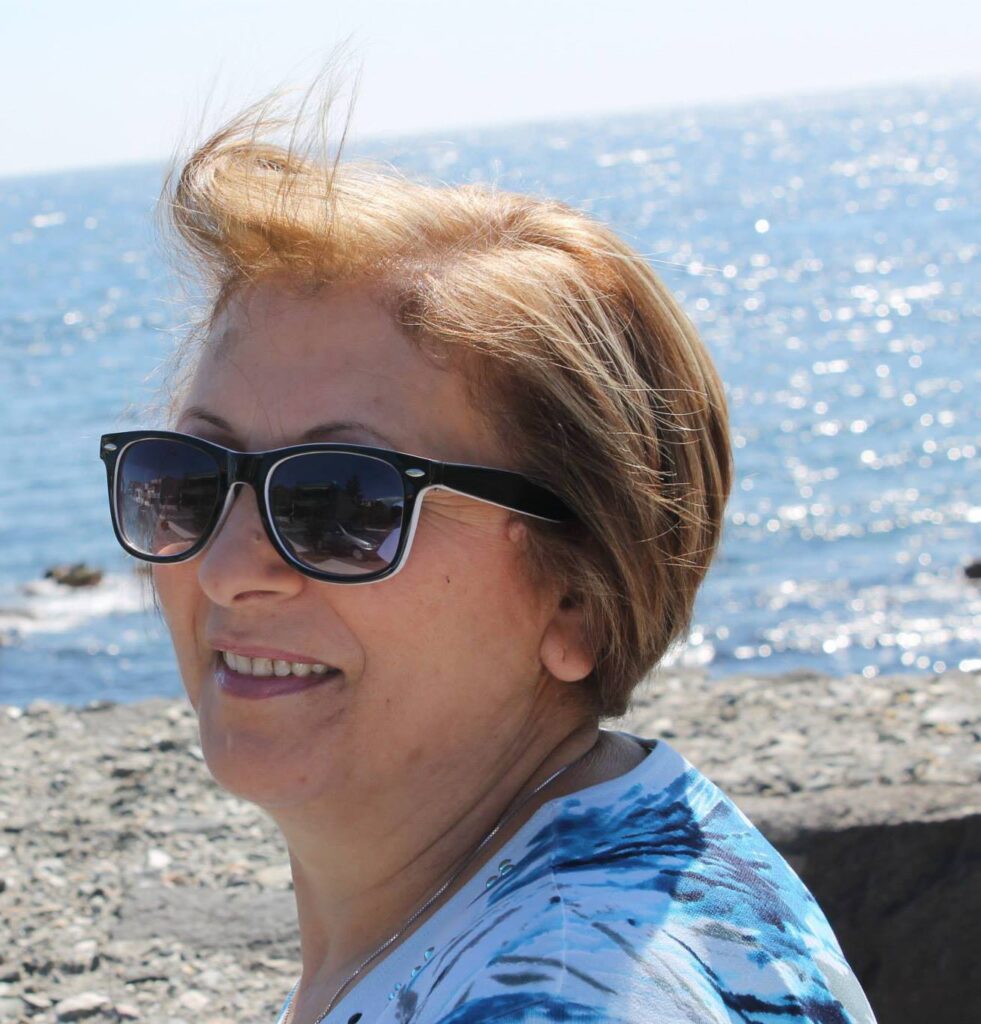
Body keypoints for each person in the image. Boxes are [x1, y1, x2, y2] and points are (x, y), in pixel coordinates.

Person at [99, 89, 877, 1023]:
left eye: (342, 503)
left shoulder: (558, 991)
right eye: (188, 479)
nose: (228, 570)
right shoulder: (566, 880)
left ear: (578, 599)